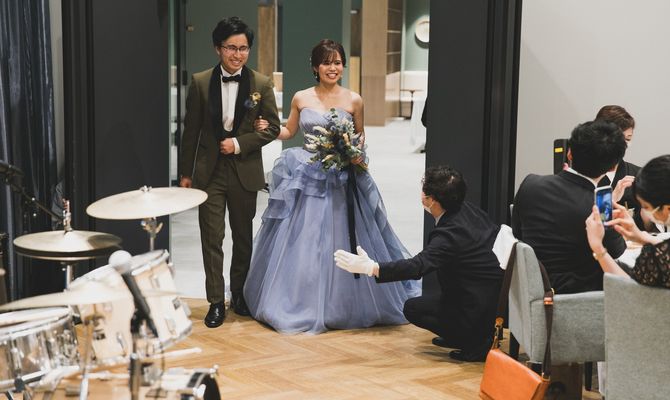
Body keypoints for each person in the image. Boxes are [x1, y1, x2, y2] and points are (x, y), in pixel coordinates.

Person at [243, 39, 420, 334]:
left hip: (342, 180)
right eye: (326, 62)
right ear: (315, 67)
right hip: (309, 177)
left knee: (342, 236)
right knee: (305, 241)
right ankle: (300, 301)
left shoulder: (354, 100)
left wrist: (355, 154)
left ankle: (344, 303)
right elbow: (289, 131)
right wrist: (269, 129)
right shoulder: (301, 97)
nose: (332, 68)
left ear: (343, 66)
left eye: (337, 62)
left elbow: (360, 137)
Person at [334, 166, 504, 362]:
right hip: (486, 296)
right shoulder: (467, 209)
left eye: (424, 190)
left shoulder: (449, 235)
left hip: (475, 306)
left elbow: (417, 266)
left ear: (431, 200)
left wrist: (372, 268)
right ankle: (464, 335)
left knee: (413, 309)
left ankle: (474, 342)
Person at [178, 17, 280, 328]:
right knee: (212, 237)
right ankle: (214, 301)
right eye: (231, 48)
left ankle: (239, 294)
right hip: (208, 173)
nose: (237, 55)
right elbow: (190, 131)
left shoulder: (261, 84)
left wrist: (238, 143)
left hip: (244, 171)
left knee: (243, 237)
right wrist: (185, 173)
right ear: (218, 48)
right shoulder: (200, 82)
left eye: (243, 48)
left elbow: (272, 128)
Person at [512, 120, 627, 294]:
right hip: (579, 296)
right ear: (613, 167)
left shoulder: (530, 184)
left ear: (569, 153)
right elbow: (618, 251)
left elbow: (517, 233)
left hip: (531, 286)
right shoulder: (599, 208)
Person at [586, 154, 670, 287]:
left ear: (667, 208)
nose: (645, 211)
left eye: (646, 207)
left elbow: (629, 291)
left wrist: (598, 249)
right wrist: (641, 237)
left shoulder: (655, 258)